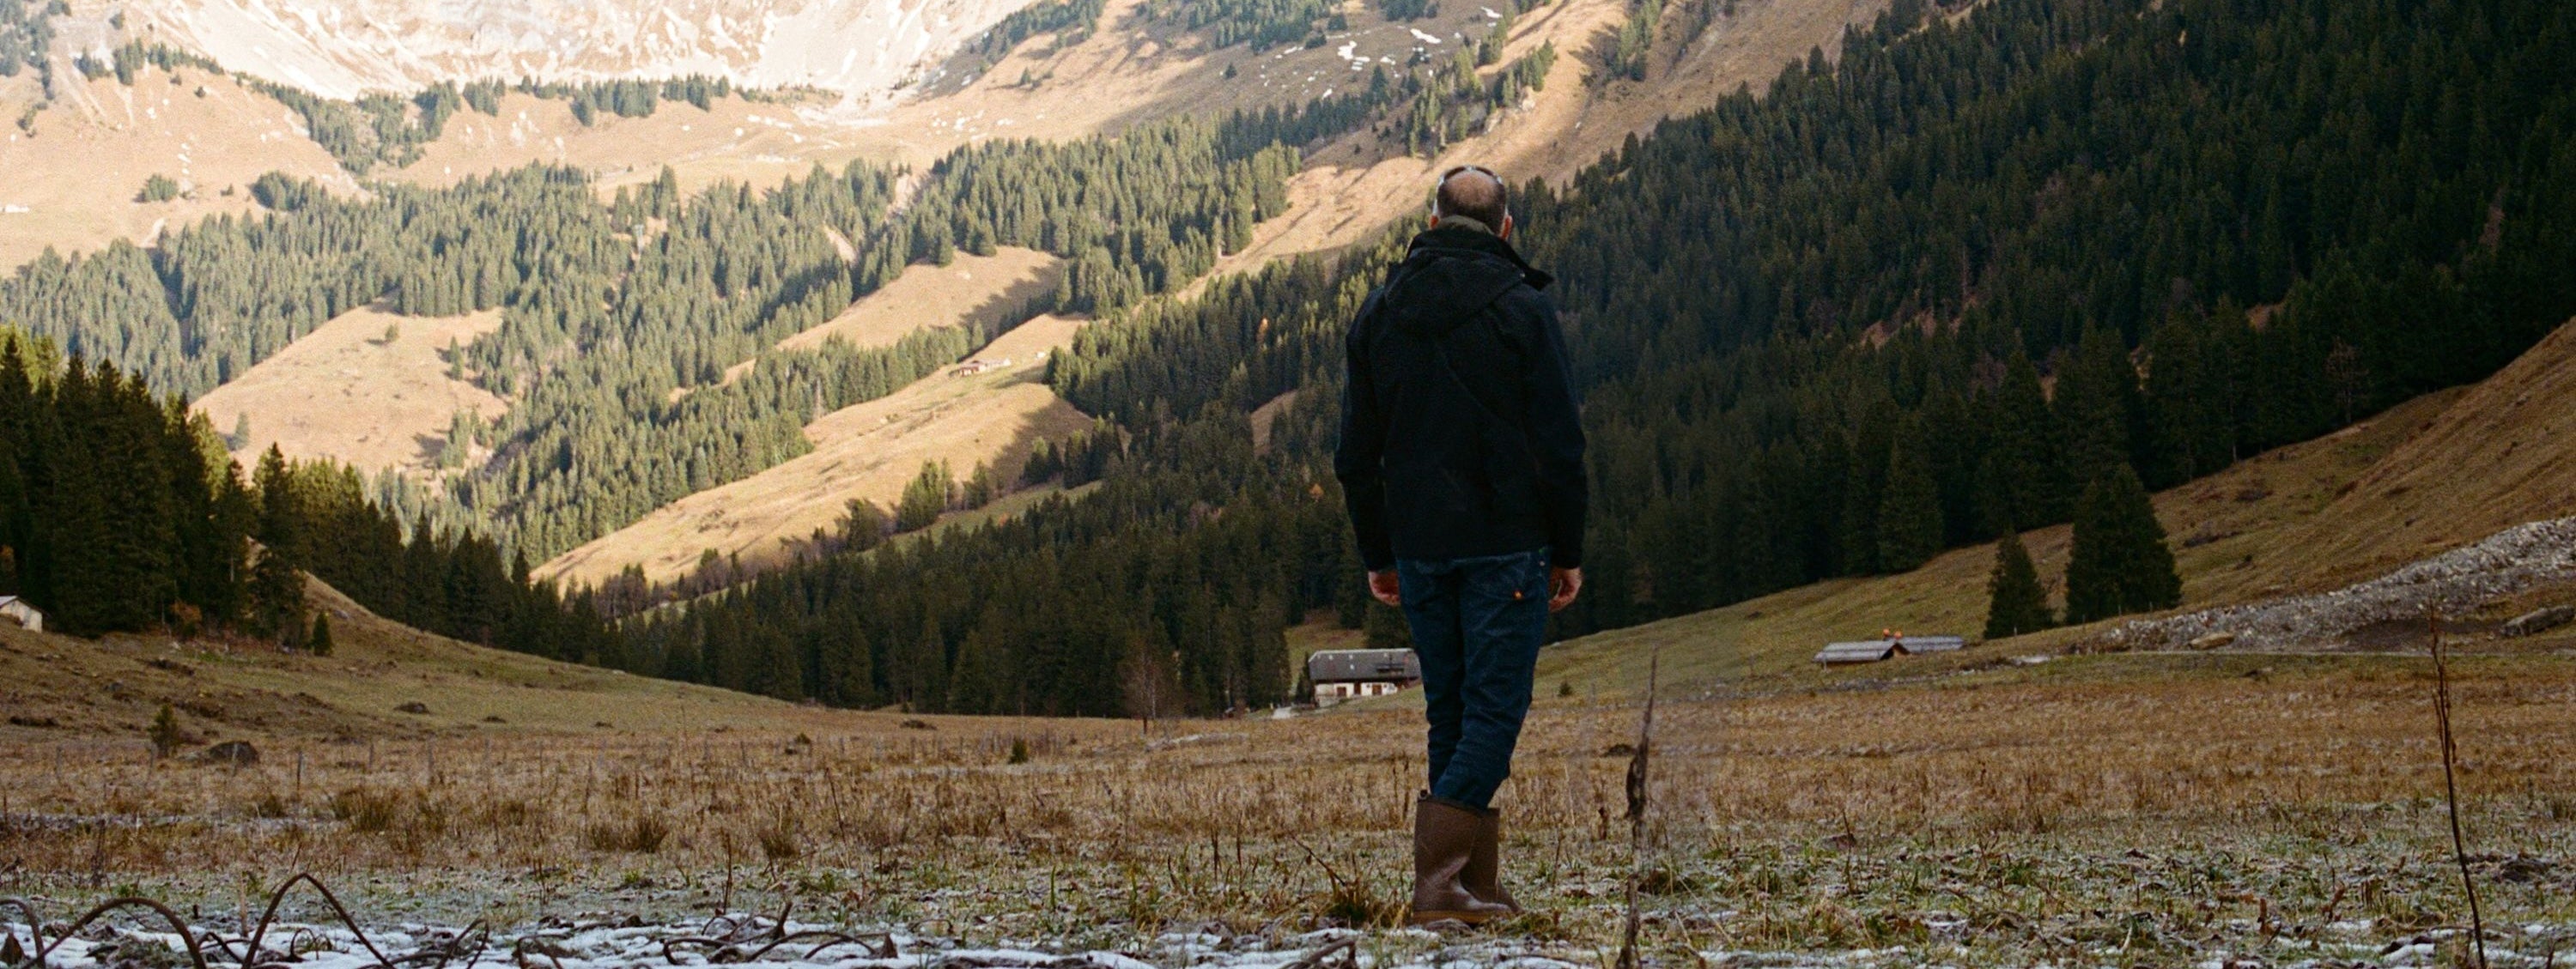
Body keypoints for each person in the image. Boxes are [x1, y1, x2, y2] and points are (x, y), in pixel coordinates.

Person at [1333, 164, 1589, 926]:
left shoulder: (1378, 312)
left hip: (1419, 546)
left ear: (1433, 222)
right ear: (1504, 227)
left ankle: (1471, 887)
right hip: (1505, 544)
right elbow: (1561, 446)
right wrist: (1566, 549)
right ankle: (1439, 886)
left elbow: (1355, 455)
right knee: (1495, 714)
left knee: (1451, 712)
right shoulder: (1523, 308)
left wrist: (1380, 553)